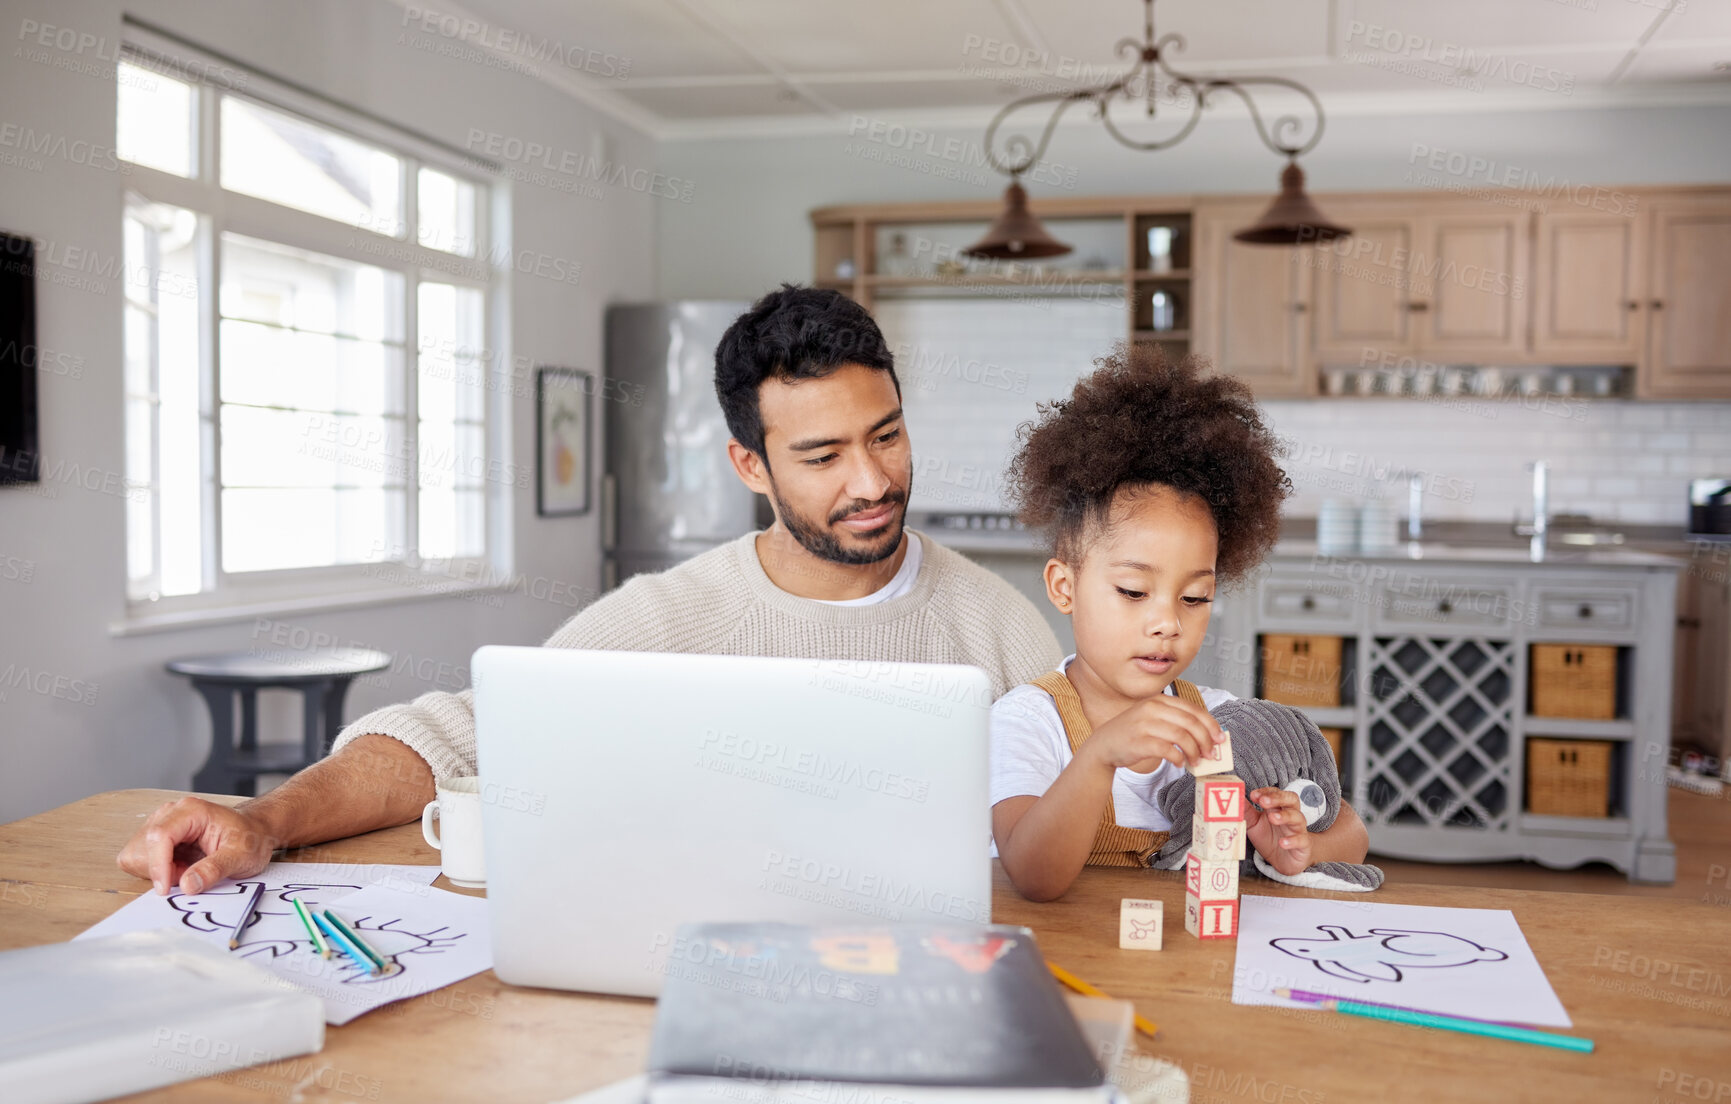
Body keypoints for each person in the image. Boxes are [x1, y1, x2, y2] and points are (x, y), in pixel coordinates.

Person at [119, 285, 1061, 896]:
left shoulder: (999, 626)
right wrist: (261, 821)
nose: (871, 480)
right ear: (749, 464)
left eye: (886, 435)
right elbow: (460, 731)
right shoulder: (670, 616)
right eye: (821, 454)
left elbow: (1099, 820)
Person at [989, 344, 1369, 902]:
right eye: (1134, 592)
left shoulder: (1217, 720)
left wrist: (1295, 845)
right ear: (1064, 587)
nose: (1167, 621)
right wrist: (1099, 757)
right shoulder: (1027, 722)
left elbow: (1354, 836)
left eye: (1194, 597)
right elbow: (1033, 875)